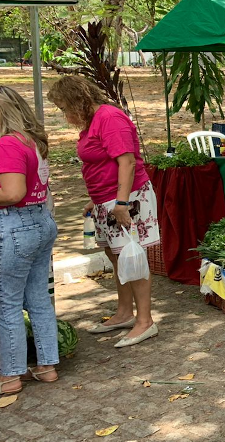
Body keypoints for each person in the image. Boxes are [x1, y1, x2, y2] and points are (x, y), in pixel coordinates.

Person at [48, 76, 160, 348]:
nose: (65, 116)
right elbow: (99, 163)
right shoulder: (93, 121)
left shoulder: (109, 117)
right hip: (106, 199)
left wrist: (121, 204)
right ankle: (124, 312)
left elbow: (127, 162)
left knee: (132, 255)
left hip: (127, 198)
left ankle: (145, 321)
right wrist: (94, 199)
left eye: (65, 108)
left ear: (78, 100)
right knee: (115, 254)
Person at [0, 87, 59, 395]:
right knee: (37, 298)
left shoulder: (6, 144)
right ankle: (47, 365)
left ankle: (10, 376)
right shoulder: (28, 140)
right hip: (39, 221)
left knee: (6, 301)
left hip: (13, 223)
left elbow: (12, 193)